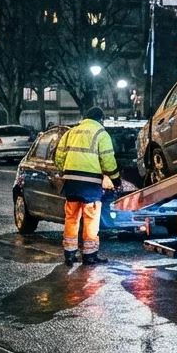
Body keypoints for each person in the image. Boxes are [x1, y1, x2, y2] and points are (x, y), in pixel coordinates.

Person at [53, 107, 119, 265]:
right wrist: (115, 179)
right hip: (90, 184)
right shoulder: (101, 133)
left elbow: (59, 156)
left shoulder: (71, 132)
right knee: (91, 218)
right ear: (101, 119)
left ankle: (69, 253)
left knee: (72, 217)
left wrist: (64, 171)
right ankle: (89, 255)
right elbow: (108, 160)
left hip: (71, 182)